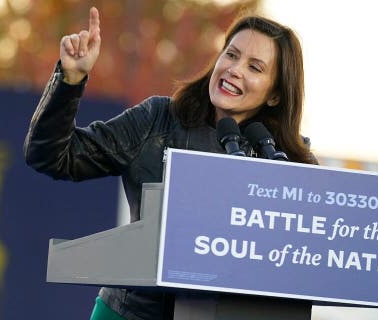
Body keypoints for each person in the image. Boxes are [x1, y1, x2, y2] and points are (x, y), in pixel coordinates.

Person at [24, 6, 317, 320]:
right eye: (231, 55)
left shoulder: (287, 163)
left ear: (275, 95)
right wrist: (71, 78)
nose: (234, 69)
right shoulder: (158, 120)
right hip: (129, 313)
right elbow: (53, 155)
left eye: (255, 67)